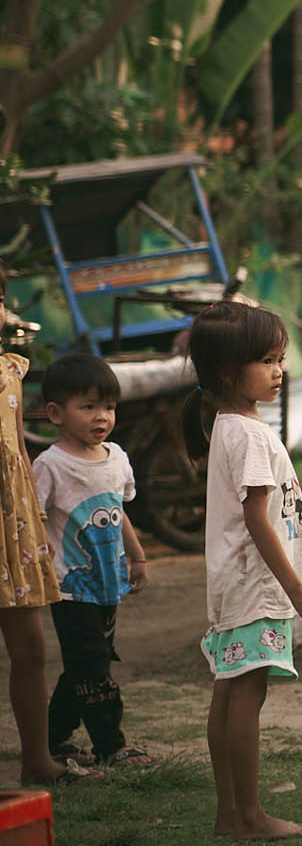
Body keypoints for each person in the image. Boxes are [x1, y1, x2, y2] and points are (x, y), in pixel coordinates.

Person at [195, 301, 302, 839]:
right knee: (246, 695)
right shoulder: (249, 435)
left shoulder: (231, 425)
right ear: (229, 372)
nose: (280, 370)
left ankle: (229, 813)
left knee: (229, 691)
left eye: (280, 359)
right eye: (267, 360)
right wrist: (295, 588)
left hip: (236, 584)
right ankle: (249, 815)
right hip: (257, 585)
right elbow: (256, 518)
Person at [0, 289, 99, 786]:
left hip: (12, 525)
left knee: (32, 650)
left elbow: (17, 451)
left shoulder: (10, 371)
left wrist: (34, 522)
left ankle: (37, 762)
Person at [33, 354, 149, 768]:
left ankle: (53, 738)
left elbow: (118, 512)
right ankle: (110, 746)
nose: (101, 416)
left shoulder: (116, 458)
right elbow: (34, 517)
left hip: (108, 582)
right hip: (70, 587)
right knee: (93, 665)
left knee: (85, 664)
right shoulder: (50, 465)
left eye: (109, 407)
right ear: (55, 413)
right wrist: (39, 555)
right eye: (88, 406)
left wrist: (137, 557)